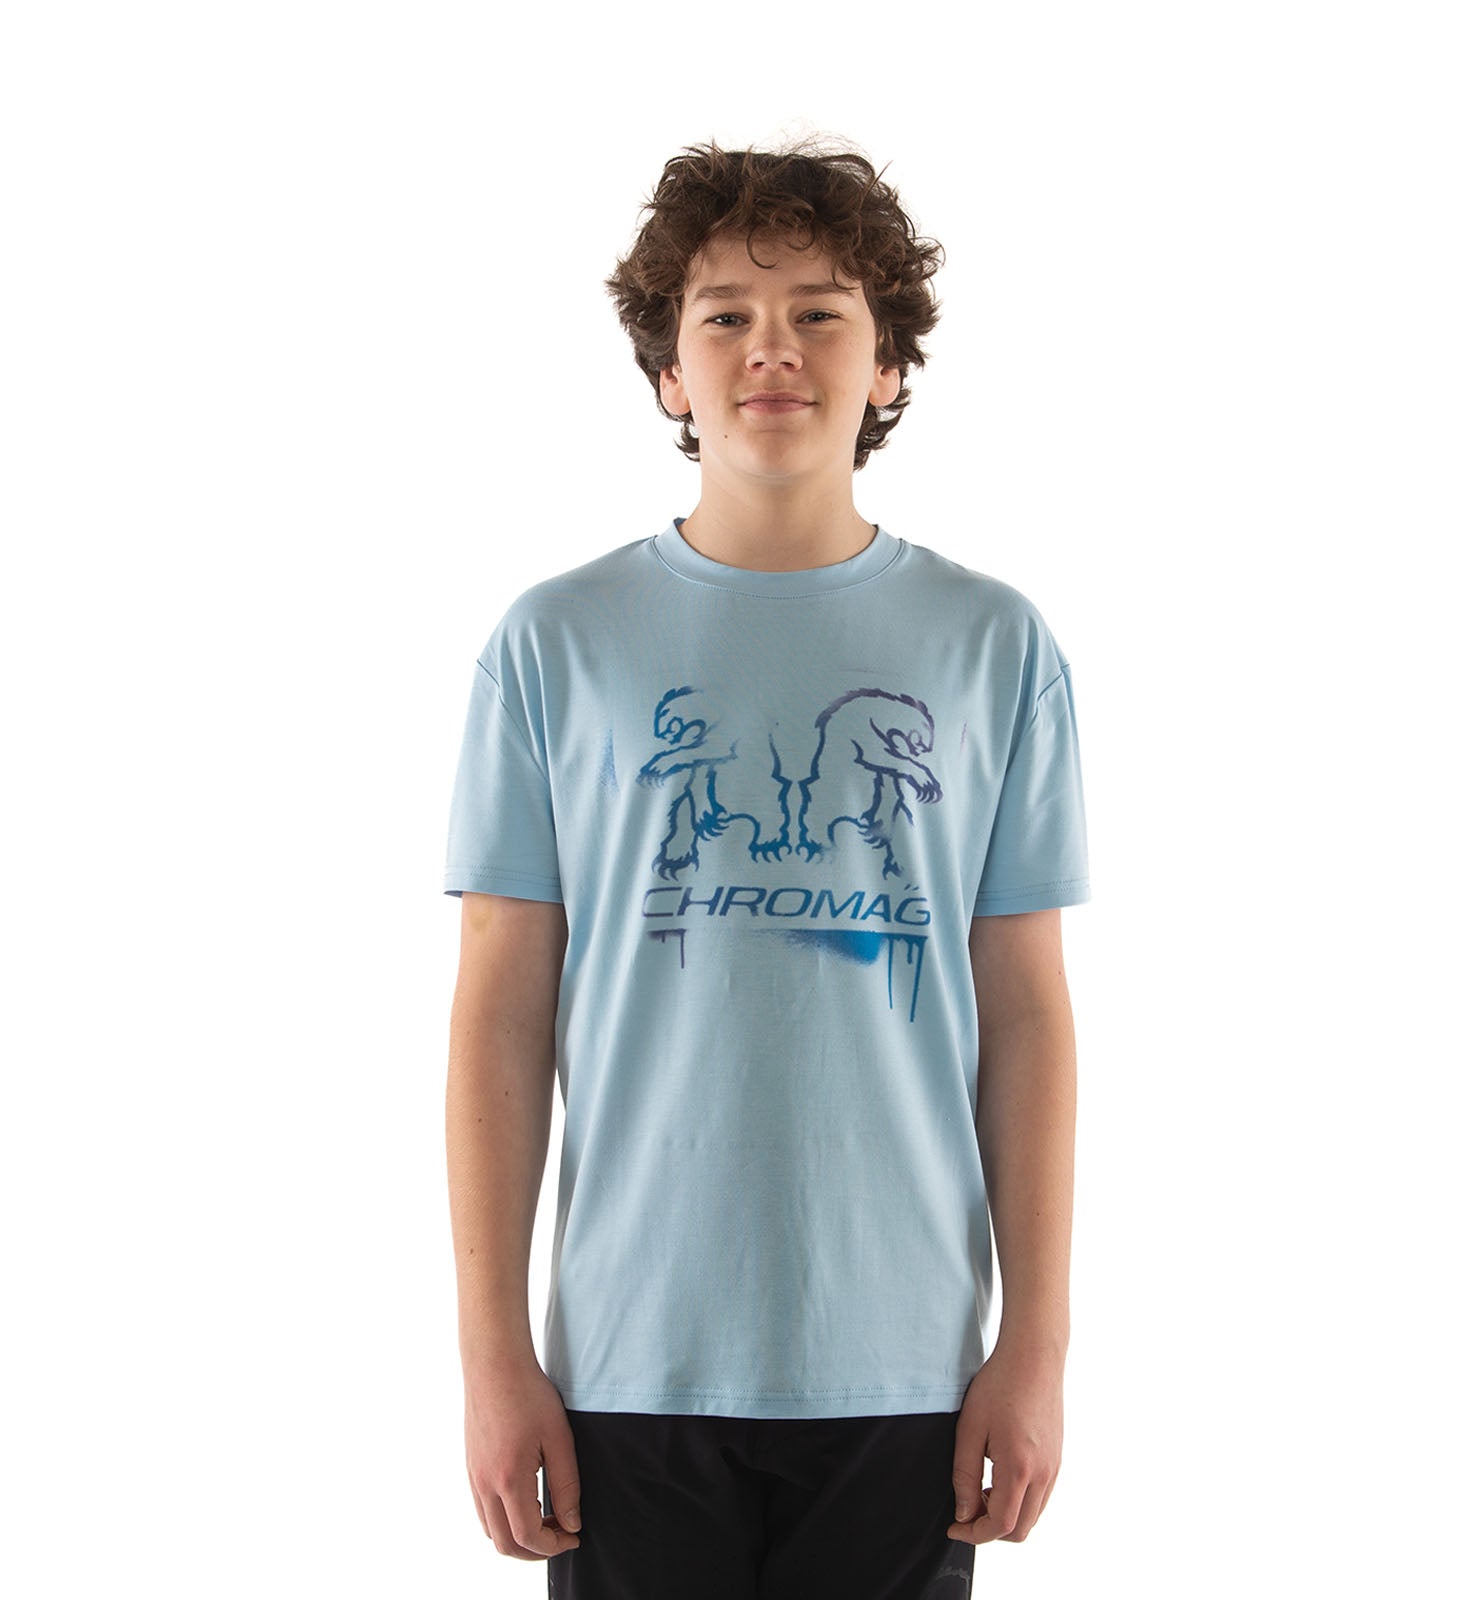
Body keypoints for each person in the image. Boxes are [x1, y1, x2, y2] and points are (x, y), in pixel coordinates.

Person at [442, 137, 1090, 1599]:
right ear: (669, 375)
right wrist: (493, 1357)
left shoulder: (996, 646)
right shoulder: (555, 643)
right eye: (724, 314)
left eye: (819, 312)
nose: (771, 348)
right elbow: (498, 1013)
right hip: (630, 1367)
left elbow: (1028, 1013)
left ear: (889, 366)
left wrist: (1037, 1346)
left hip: (908, 1370)